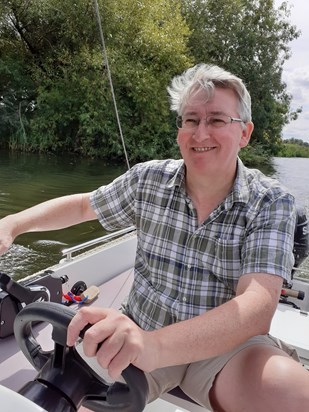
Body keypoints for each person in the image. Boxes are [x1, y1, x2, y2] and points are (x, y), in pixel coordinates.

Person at [0, 63, 309, 412]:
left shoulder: (271, 201)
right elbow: (83, 207)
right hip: (140, 326)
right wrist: (13, 223)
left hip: (224, 348)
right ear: (180, 130)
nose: (200, 133)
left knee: (294, 395)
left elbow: (255, 308)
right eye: (191, 119)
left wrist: (155, 346)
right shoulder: (147, 180)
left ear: (244, 133)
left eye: (217, 120)